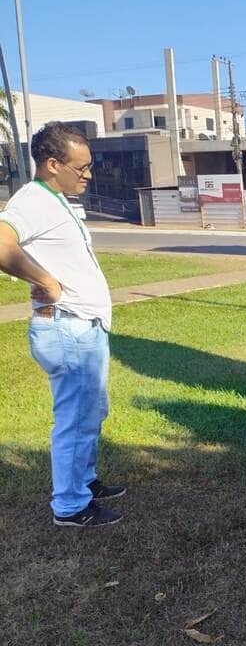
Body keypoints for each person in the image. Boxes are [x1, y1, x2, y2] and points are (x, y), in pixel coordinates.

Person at [0, 121, 125, 527]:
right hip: (67, 329)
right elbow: (2, 244)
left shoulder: (55, 201)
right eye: (81, 167)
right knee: (74, 418)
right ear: (53, 164)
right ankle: (70, 506)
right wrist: (45, 280)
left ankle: (84, 482)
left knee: (92, 411)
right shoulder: (32, 201)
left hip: (83, 328)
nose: (88, 175)